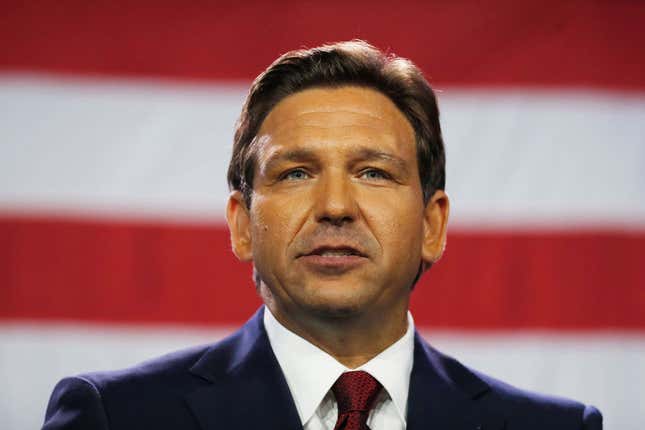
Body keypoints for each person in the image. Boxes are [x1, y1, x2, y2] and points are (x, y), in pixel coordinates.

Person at [42, 40, 602, 430]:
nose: (335, 206)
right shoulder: (115, 417)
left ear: (432, 226)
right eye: (296, 173)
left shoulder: (555, 426)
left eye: (374, 172)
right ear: (241, 224)